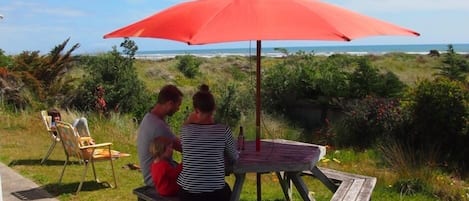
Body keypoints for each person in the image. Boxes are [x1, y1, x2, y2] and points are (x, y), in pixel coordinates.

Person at [177, 84, 238, 201]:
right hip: (214, 194)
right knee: (228, 191)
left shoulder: (185, 130)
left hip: (188, 194)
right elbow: (234, 157)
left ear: (196, 110)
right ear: (214, 108)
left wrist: (190, 118)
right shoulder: (223, 130)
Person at [137, 84, 183, 188]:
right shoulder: (158, 126)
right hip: (160, 180)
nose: (178, 109)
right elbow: (183, 147)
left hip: (156, 174)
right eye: (178, 105)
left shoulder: (149, 117)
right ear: (170, 103)